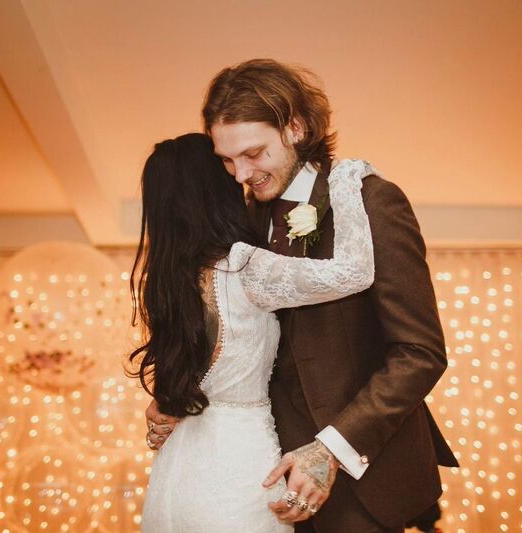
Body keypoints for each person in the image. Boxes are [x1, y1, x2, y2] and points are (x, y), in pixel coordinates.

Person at [146, 59, 458, 532]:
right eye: (226, 160)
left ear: (296, 126)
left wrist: (330, 449)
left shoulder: (370, 202)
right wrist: (179, 396)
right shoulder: (238, 221)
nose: (239, 174)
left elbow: (420, 353)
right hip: (262, 482)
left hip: (361, 482)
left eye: (253, 153)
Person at [131, 132, 376, 532]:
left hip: (178, 473)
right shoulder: (242, 268)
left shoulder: (166, 283)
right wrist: (347, 179)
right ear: (216, 190)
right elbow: (354, 273)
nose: (241, 175)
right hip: (237, 470)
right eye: (228, 170)